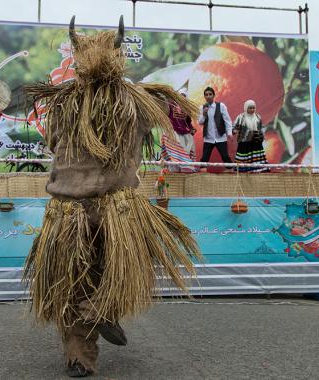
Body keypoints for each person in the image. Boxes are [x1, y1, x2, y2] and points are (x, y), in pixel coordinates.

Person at [24, 16, 201, 378]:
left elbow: (53, 142)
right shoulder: (136, 102)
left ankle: (80, 354)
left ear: (77, 60)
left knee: (71, 280)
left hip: (68, 207)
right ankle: (99, 315)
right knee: (116, 274)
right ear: (119, 57)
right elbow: (171, 120)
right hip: (116, 208)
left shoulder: (62, 104)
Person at [198, 86, 233, 171]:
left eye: (210, 94)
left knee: (225, 157)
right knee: (204, 158)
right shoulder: (202, 108)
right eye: (206, 95)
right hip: (208, 138)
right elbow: (200, 122)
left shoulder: (221, 106)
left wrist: (229, 133)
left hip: (220, 137)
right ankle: (202, 176)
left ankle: (231, 172)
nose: (208, 96)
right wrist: (204, 114)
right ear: (204, 97)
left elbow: (227, 120)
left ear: (214, 95)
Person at [233, 99, 269, 172]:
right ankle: (243, 171)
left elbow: (261, 127)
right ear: (246, 108)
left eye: (253, 108)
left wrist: (263, 135)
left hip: (256, 142)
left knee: (257, 157)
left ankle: (258, 170)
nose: (252, 109)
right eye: (250, 108)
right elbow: (234, 127)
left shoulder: (258, 117)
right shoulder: (241, 117)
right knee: (243, 158)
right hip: (244, 142)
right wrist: (234, 131)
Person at [168, 89, 197, 160]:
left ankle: (186, 168)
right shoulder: (171, 105)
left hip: (184, 132)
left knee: (188, 150)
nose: (182, 98)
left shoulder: (187, 109)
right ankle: (176, 169)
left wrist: (192, 129)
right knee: (177, 151)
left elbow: (188, 122)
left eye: (184, 96)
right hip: (175, 132)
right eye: (180, 96)